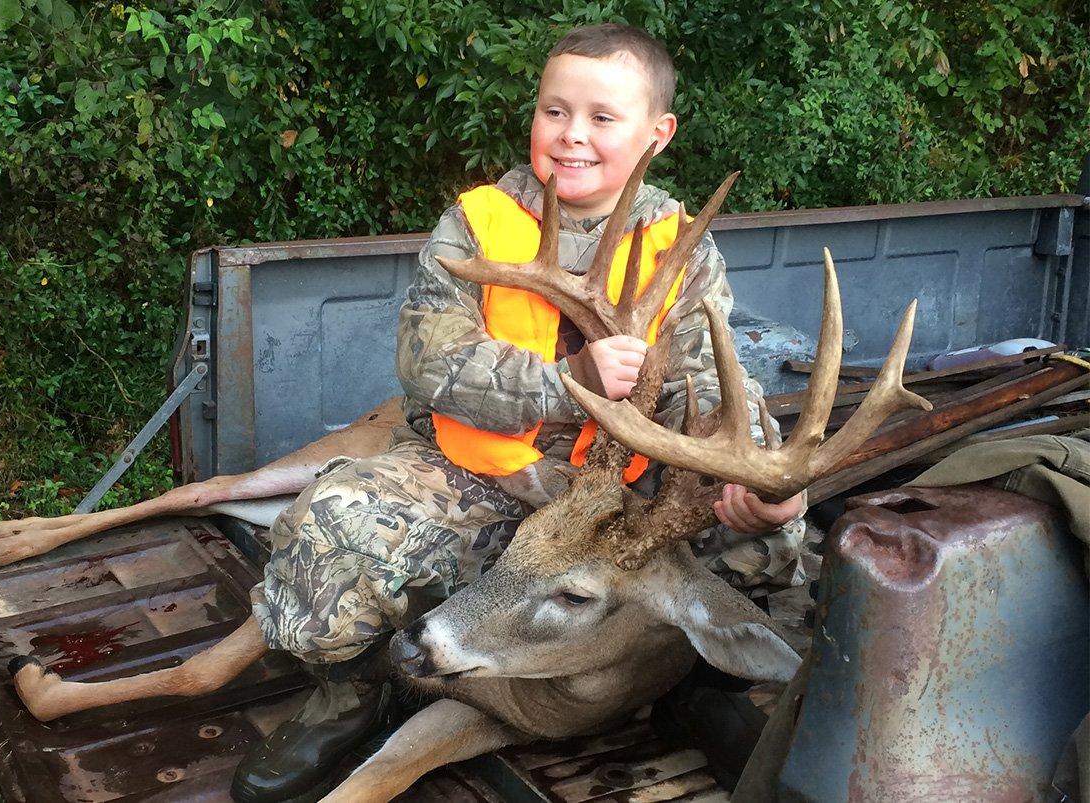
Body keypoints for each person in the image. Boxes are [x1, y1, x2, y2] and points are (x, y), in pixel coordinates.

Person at [232, 22, 807, 803]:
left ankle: (696, 688)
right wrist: (567, 377)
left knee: (773, 532)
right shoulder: (478, 221)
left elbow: (709, 381)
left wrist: (761, 474)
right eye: (554, 111)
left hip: (613, 498)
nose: (572, 135)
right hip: (475, 471)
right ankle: (349, 692)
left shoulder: (683, 247)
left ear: (656, 133)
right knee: (334, 525)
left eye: (603, 118)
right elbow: (428, 360)